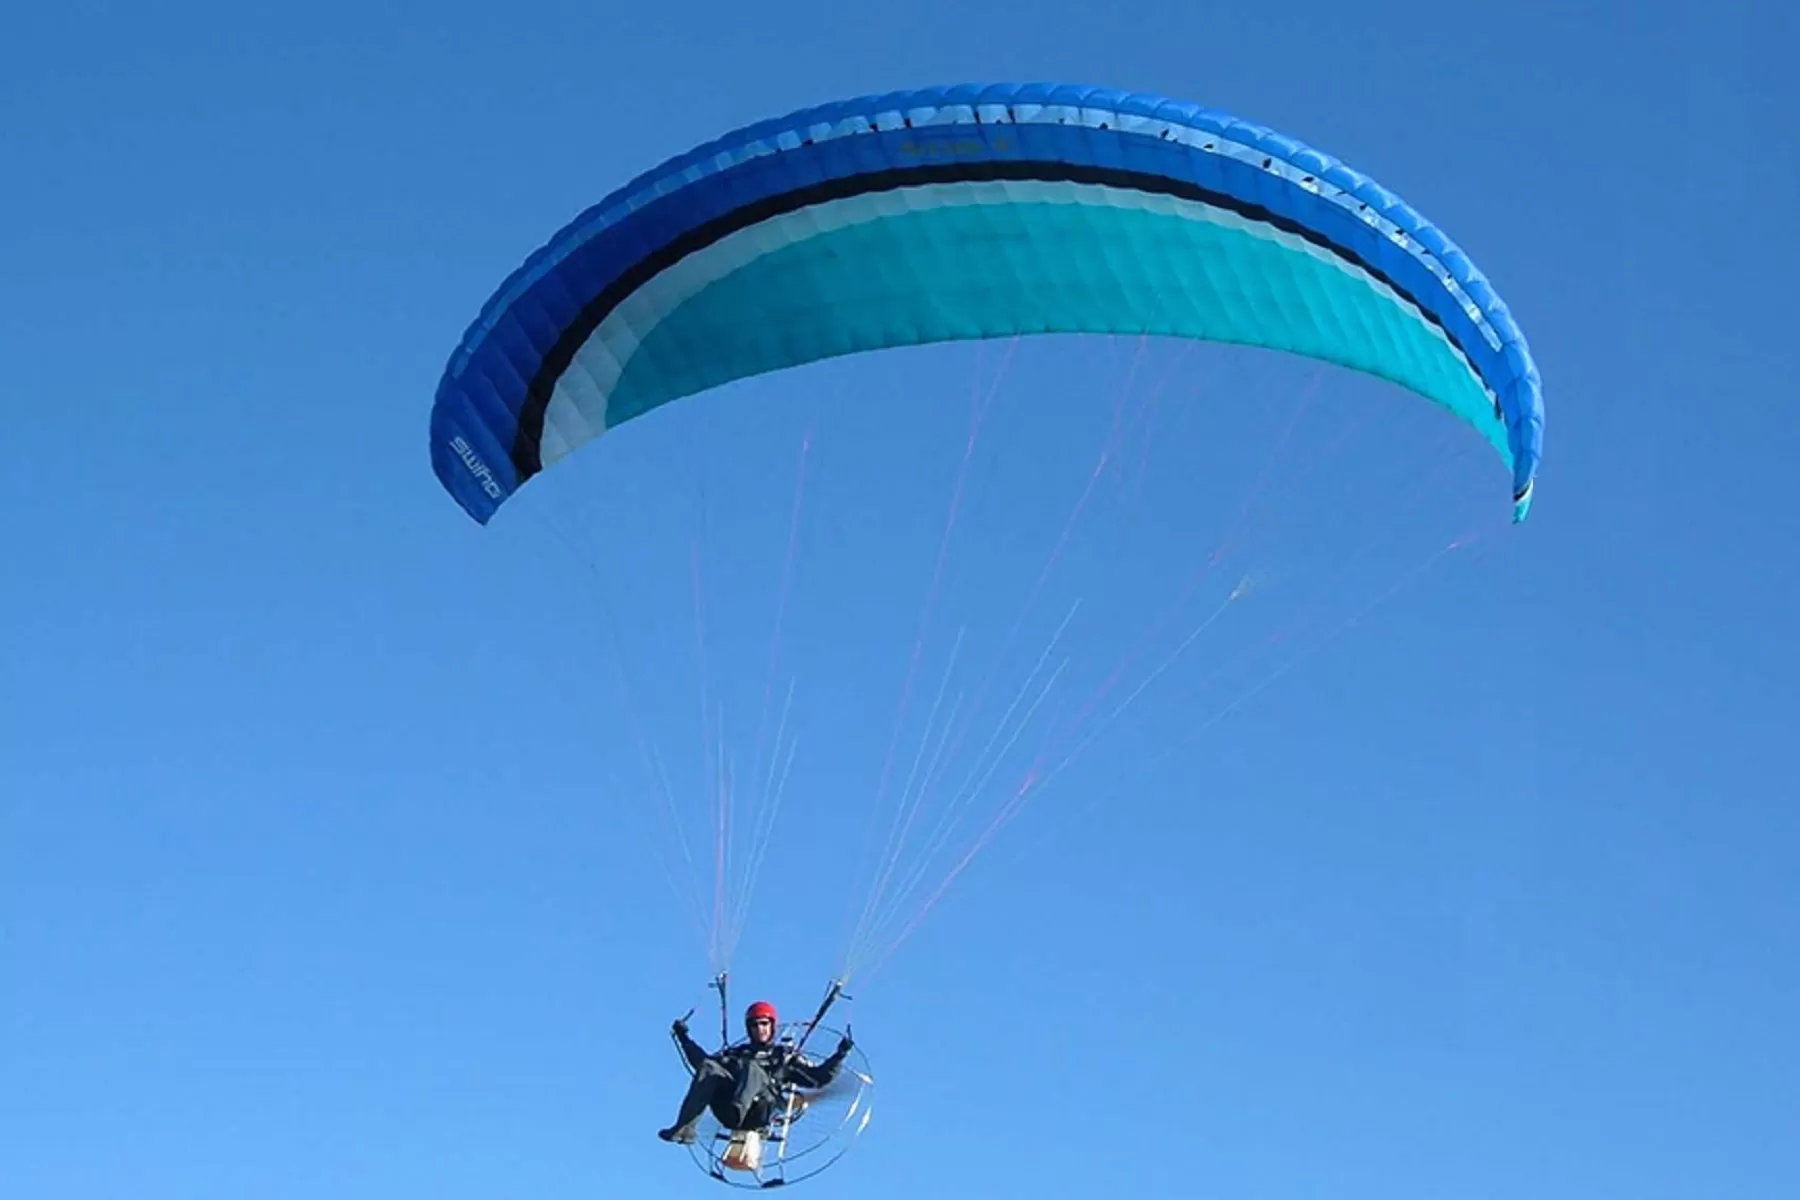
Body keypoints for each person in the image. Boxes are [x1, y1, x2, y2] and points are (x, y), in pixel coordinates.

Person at [658, 999, 855, 1144]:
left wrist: (840, 1054)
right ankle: (685, 1129)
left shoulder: (784, 1057)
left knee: (753, 1067)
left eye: (764, 1024)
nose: (759, 1029)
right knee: (710, 1067)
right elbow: (703, 1065)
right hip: (726, 1111)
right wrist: (684, 1038)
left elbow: (819, 1079)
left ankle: (739, 1108)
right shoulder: (737, 1053)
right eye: (754, 1024)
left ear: (772, 1026)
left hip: (759, 1110)